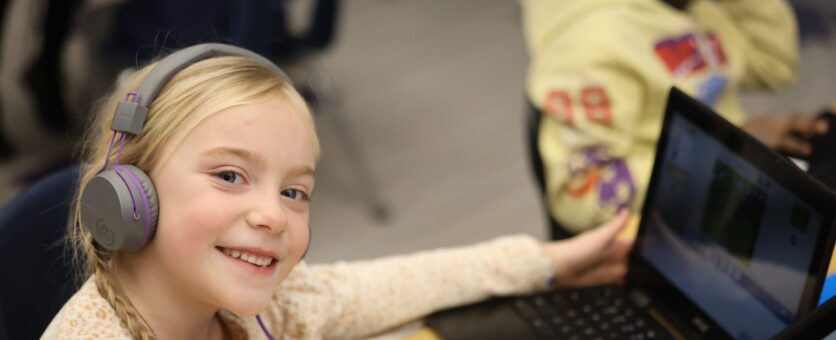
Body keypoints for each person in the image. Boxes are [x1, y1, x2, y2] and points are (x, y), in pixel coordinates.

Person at [41, 44, 632, 340]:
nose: (272, 215)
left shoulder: (259, 308)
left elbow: (393, 284)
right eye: (229, 176)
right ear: (127, 192)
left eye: (295, 192)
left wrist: (550, 264)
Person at [523, 0, 830, 237]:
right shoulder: (588, 46)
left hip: (720, 180)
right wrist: (729, 149)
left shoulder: (687, 8)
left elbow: (775, 65)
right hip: (668, 230)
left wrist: (733, 147)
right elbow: (578, 195)